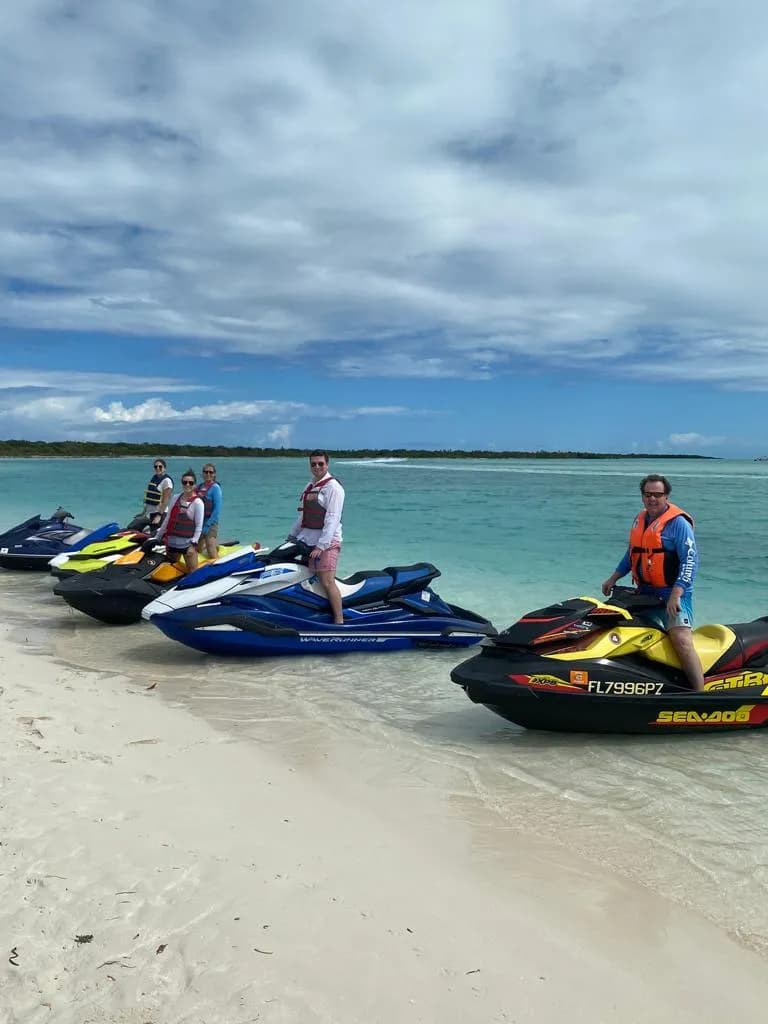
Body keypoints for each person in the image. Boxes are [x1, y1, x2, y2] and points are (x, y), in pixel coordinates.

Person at [601, 474, 704, 691]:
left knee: (682, 640)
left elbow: (690, 561)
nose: (652, 499)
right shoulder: (640, 519)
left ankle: (699, 693)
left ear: (666, 496)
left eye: (658, 495)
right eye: (648, 494)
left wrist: (676, 594)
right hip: (645, 592)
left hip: (675, 594)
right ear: (642, 496)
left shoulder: (678, 524)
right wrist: (613, 577)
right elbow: (632, 554)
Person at [287, 450, 345, 625]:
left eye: (321, 463)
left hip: (327, 543)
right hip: (307, 542)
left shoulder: (334, 488)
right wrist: (291, 537)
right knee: (308, 579)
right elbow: (303, 516)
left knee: (327, 581)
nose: (317, 467)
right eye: (314, 464)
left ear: (327, 464)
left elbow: (332, 518)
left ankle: (339, 621)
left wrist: (322, 546)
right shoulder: (310, 486)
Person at [152, 469, 204, 572]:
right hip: (171, 543)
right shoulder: (175, 498)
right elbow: (167, 519)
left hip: (187, 545)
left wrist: (193, 544)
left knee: (193, 572)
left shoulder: (198, 503)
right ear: (182, 483)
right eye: (185, 482)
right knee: (169, 570)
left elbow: (199, 526)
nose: (187, 484)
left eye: (190, 483)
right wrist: (157, 537)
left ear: (194, 485)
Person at [197, 463, 223, 560]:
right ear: (202, 474)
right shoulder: (199, 487)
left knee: (210, 546)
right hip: (199, 522)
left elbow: (217, 509)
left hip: (211, 522)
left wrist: (208, 525)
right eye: (206, 472)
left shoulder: (216, 488)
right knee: (196, 547)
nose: (208, 474)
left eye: (210, 472)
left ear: (214, 474)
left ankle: (217, 565)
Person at [143, 458, 174, 528]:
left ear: (164, 468)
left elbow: (166, 500)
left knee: (155, 536)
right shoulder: (154, 478)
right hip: (150, 513)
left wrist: (159, 515)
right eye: (155, 466)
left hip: (159, 514)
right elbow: (149, 498)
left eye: (160, 466)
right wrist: (143, 512)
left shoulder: (167, 481)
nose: (158, 468)